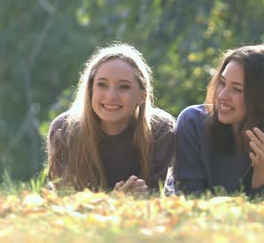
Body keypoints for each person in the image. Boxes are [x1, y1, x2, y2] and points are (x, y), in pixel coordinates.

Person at [167, 44, 264, 201]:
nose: (222, 95)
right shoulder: (192, 122)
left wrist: (263, 171)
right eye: (222, 83)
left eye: (237, 89)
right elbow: (190, 199)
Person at [46, 43, 175, 193]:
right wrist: (115, 199)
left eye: (124, 87)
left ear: (142, 96)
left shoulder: (161, 129)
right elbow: (66, 200)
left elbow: (155, 194)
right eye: (102, 85)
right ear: (90, 89)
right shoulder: (63, 129)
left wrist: (138, 196)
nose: (111, 96)